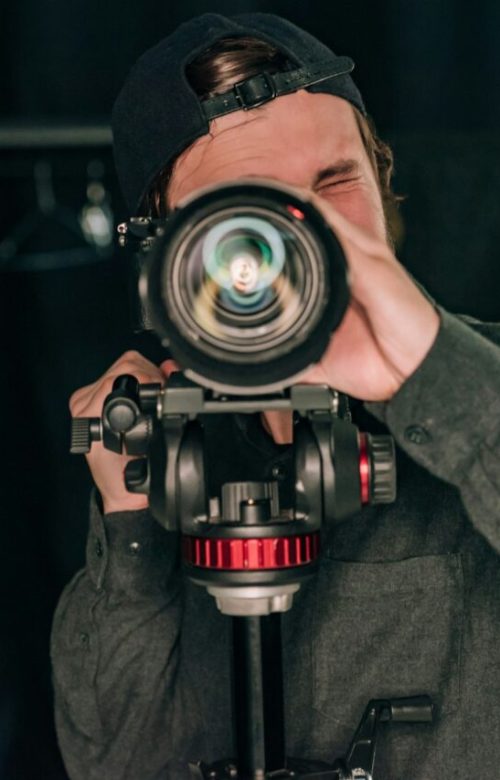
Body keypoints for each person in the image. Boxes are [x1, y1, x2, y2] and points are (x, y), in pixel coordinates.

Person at [51, 13, 500, 780]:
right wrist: (132, 527)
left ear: (384, 182)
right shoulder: (162, 440)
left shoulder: (483, 379)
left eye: (333, 188)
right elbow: (117, 761)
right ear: (165, 250)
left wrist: (433, 376)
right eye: (248, 212)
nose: (303, 237)